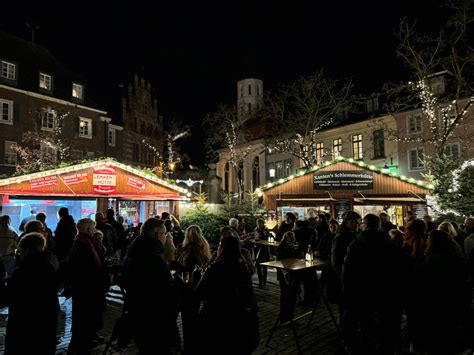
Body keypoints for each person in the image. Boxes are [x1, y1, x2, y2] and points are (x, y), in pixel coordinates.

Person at [341, 214, 404, 355]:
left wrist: (347, 293)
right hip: (386, 292)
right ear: (379, 225)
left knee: (366, 324)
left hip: (363, 292)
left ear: (364, 225)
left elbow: (348, 272)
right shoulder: (390, 244)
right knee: (386, 326)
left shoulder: (356, 244)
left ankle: (367, 348)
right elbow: (399, 270)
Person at [122, 218, 179, 353]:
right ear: (158, 235)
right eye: (165, 234)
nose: (166, 237)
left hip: (137, 313)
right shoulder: (152, 258)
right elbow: (167, 292)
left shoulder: (135, 251)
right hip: (154, 319)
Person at [195, 233, 257, 354]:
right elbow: (248, 293)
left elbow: (199, 292)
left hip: (216, 318)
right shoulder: (242, 265)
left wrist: (198, 276)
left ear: (222, 248)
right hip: (237, 318)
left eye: (219, 245)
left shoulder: (215, 267)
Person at [0, 232, 59, 355]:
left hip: (24, 325)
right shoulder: (49, 266)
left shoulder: (23, 270)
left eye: (20, 251)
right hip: (46, 322)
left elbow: (10, 297)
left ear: (26, 250)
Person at [410, 230, 467, 354]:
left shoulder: (426, 264)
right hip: (453, 310)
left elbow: (417, 292)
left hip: (432, 312)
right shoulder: (459, 262)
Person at [67, 218, 109, 354]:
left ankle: (88, 337)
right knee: (86, 317)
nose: (94, 230)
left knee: (87, 317)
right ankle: (83, 343)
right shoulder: (83, 245)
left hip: (86, 288)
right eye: (93, 228)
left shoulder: (82, 242)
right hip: (87, 289)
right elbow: (88, 270)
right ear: (89, 229)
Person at [174, 225, 212, 353]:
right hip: (199, 289)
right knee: (196, 320)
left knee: (188, 321)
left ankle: (189, 348)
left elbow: (185, 270)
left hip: (188, 290)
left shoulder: (188, 250)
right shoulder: (203, 248)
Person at [330, 210, 361, 320]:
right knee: (345, 300)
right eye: (354, 222)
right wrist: (340, 272)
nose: (357, 224)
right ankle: (344, 324)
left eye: (358, 222)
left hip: (350, 271)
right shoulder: (341, 235)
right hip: (345, 272)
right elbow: (335, 257)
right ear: (347, 222)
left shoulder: (352, 233)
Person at [254, 218, 271, 288]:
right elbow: (255, 237)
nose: (259, 225)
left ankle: (264, 282)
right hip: (257, 249)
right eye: (258, 223)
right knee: (258, 266)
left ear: (263, 223)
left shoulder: (266, 230)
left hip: (264, 249)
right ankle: (260, 282)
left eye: (260, 223)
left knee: (265, 266)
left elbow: (267, 238)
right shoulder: (255, 230)